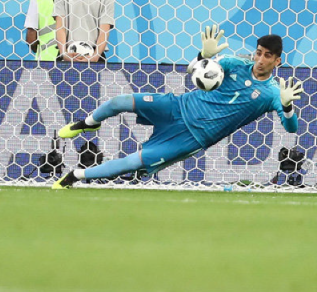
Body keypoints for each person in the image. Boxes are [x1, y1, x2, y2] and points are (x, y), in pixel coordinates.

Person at [53, 28, 302, 189]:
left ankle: (75, 176)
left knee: (132, 162)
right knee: (119, 102)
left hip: (192, 137)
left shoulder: (273, 93)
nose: (260, 60)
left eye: (267, 56)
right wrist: (203, 55)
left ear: (277, 60)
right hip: (178, 106)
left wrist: (287, 105)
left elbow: (291, 128)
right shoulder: (233, 63)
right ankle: (88, 123)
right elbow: (194, 70)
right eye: (258, 53)